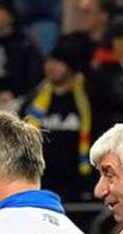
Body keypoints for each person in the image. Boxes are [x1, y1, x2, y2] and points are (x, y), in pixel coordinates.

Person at [23, 32, 97, 207]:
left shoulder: (88, 99)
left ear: (71, 67)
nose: (51, 66)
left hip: (77, 185)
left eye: (58, 62)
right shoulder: (35, 98)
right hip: (41, 182)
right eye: (50, 61)